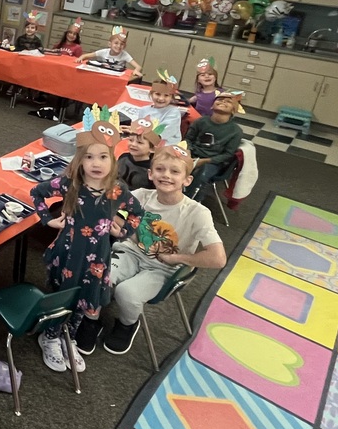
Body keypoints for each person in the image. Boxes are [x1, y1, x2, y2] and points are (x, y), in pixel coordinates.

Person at [29, 106, 144, 367]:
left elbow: (137, 213)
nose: (96, 163)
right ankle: (50, 336)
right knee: (62, 297)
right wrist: (47, 219)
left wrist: (122, 230)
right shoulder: (70, 184)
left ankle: (69, 336)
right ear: (79, 161)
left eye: (103, 156)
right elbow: (37, 192)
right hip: (68, 254)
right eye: (89, 157)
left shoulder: (118, 191)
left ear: (113, 161)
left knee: (87, 301)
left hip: (97, 259)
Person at [104, 145, 226, 354]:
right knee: (100, 275)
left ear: (187, 180)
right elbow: (112, 210)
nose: (166, 176)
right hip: (131, 252)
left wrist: (176, 258)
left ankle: (127, 324)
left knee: (127, 292)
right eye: (160, 169)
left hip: (162, 268)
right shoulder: (141, 195)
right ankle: (91, 318)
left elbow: (218, 258)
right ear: (150, 174)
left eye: (175, 171)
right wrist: (122, 230)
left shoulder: (197, 213)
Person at [184, 90, 244, 200]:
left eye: (228, 102)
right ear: (212, 106)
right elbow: (188, 139)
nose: (223, 102)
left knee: (201, 175)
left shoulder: (236, 131)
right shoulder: (201, 121)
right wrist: (188, 153)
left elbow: (227, 155)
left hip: (212, 162)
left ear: (233, 110)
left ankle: (190, 203)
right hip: (191, 155)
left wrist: (204, 161)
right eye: (220, 99)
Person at [116, 116, 161, 190]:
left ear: (152, 149)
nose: (133, 144)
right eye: (130, 140)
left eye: (139, 142)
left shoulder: (153, 168)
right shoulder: (123, 157)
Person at [77, 26, 143, 77]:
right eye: (116, 43)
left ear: (124, 46)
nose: (119, 46)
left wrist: (136, 71)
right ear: (109, 44)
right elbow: (86, 55)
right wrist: (81, 58)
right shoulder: (104, 52)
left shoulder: (124, 54)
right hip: (103, 74)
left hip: (117, 76)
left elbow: (138, 66)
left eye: (122, 44)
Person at [141, 70, 184, 145]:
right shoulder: (143, 110)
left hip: (166, 147)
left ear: (172, 97)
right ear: (151, 94)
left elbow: (165, 131)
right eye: (157, 94)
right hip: (145, 143)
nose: (161, 98)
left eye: (166, 95)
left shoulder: (174, 112)